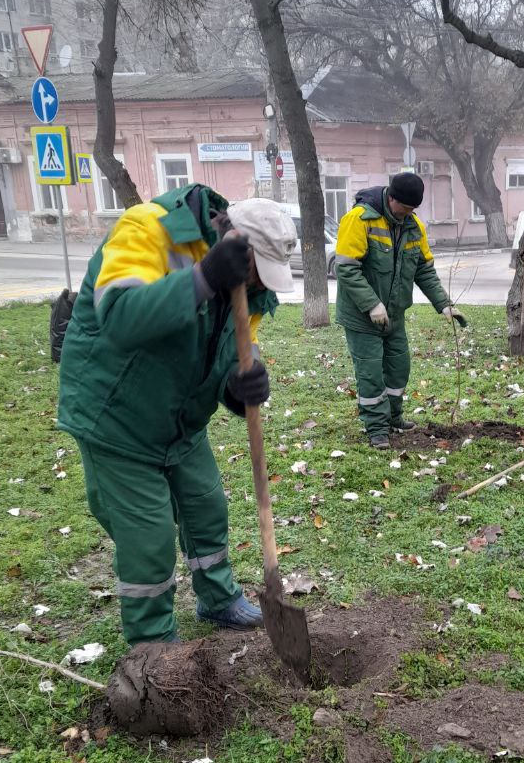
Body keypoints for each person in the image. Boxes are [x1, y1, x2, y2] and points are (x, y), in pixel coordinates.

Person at [57, 185, 297, 647]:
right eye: (259, 274)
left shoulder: (248, 284)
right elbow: (121, 318)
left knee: (207, 506)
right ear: (235, 245)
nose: (261, 286)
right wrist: (203, 278)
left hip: (180, 418)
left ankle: (218, 598)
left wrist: (237, 383)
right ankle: (152, 648)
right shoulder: (147, 228)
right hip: (116, 415)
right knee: (148, 536)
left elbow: (233, 346)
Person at [334, 173, 467, 447]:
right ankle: (376, 428)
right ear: (391, 198)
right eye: (404, 208)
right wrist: (371, 304)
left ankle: (393, 417)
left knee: (398, 368)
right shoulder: (359, 220)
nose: (407, 214)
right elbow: (346, 268)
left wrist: (444, 304)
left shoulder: (413, 226)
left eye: (412, 210)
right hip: (361, 317)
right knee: (370, 374)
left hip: (393, 315)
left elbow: (423, 269)